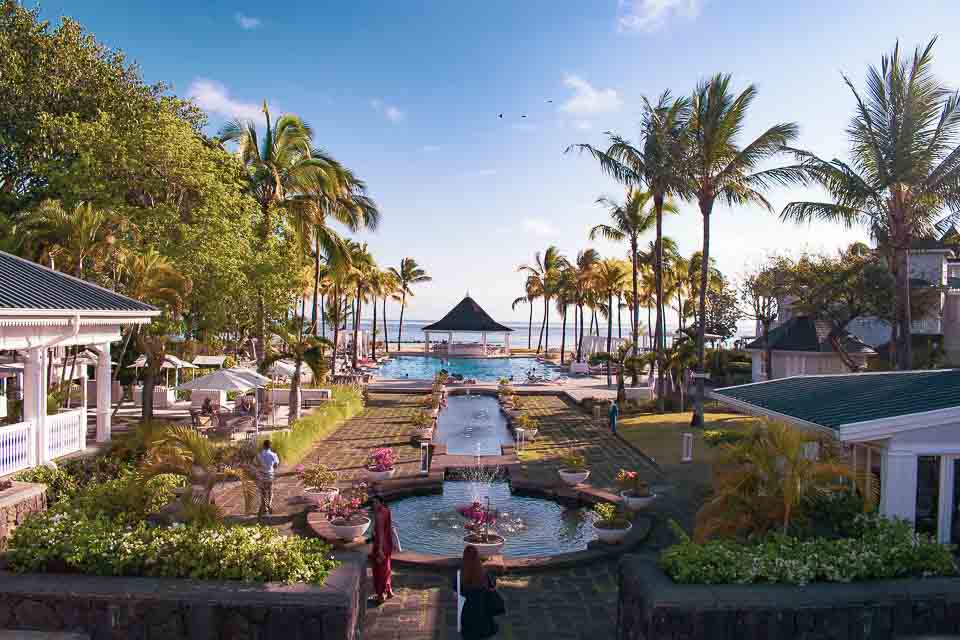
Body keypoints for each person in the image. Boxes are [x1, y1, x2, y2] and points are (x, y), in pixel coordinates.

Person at [457, 545, 500, 639]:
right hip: (484, 613)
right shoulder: (485, 574)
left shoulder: (460, 575)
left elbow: (457, 593)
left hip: (468, 614)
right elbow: (492, 586)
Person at [369, 494, 396, 604]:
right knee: (387, 568)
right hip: (388, 545)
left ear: (381, 502)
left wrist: (379, 549)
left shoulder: (379, 515)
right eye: (373, 503)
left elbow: (380, 533)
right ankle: (389, 591)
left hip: (380, 546)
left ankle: (381, 595)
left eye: (376, 502)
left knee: (379, 571)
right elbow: (389, 528)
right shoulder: (386, 510)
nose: (374, 505)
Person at [256, 439, 280, 516]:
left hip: (262, 476)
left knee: (262, 492)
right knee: (270, 490)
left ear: (263, 446)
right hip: (270, 475)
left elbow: (256, 464)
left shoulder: (259, 455)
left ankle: (264, 507)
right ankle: (269, 504)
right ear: (270, 446)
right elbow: (276, 465)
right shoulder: (274, 455)